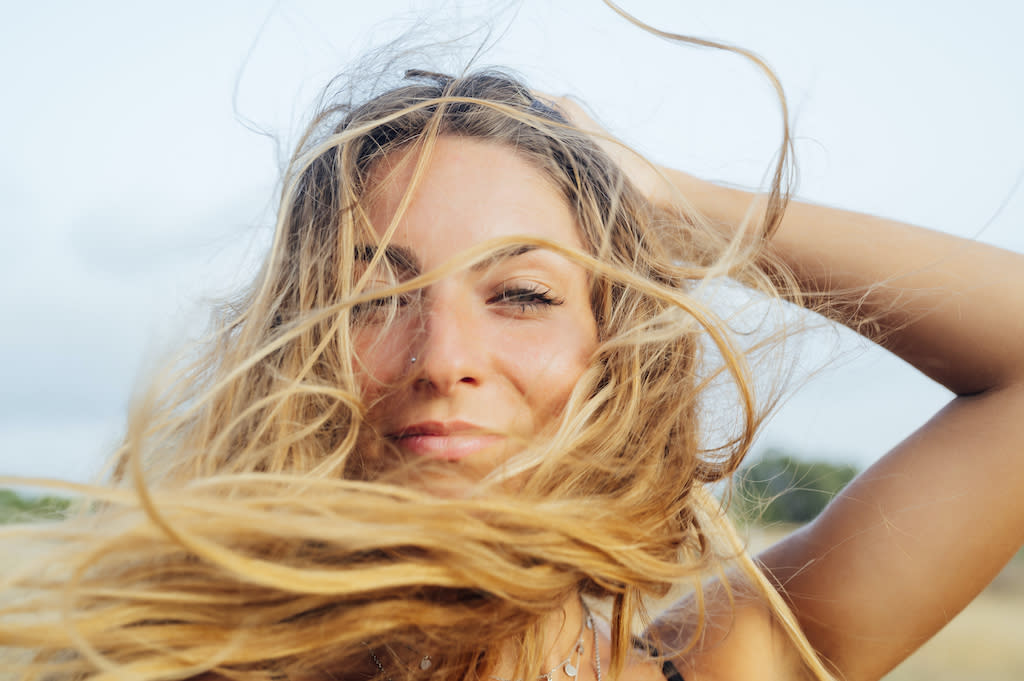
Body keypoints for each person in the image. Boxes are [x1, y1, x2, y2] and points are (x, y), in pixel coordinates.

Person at [2, 16, 1023, 681]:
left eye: (523, 292)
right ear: (296, 350)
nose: (442, 355)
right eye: (375, 295)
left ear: (612, 357)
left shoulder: (728, 663)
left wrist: (685, 209)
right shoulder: (174, 666)